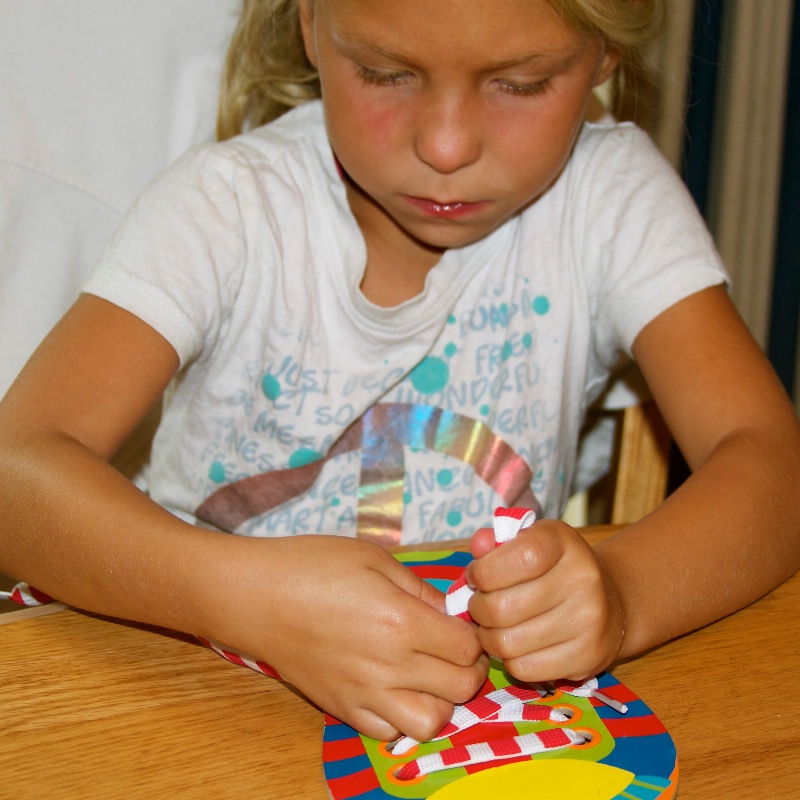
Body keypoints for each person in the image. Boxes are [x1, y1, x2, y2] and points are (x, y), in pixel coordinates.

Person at [1, 0, 799, 746]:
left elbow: (772, 463)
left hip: (468, 734)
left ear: (602, 54)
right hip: (200, 697)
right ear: (311, 24)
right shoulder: (229, 209)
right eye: (386, 73)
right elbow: (16, 471)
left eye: (521, 84)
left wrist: (626, 594)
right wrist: (247, 602)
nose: (446, 147)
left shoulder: (612, 200)